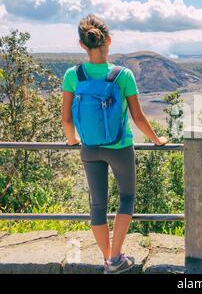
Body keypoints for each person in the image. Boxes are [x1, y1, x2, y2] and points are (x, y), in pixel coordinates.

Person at [61, 14, 168, 274]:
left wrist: (73, 140)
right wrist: (157, 140)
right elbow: (138, 117)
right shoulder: (123, 75)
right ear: (108, 40)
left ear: (82, 45)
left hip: (89, 148)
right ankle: (116, 258)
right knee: (127, 198)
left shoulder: (73, 75)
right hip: (119, 147)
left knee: (97, 206)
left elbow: (66, 118)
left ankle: (107, 258)